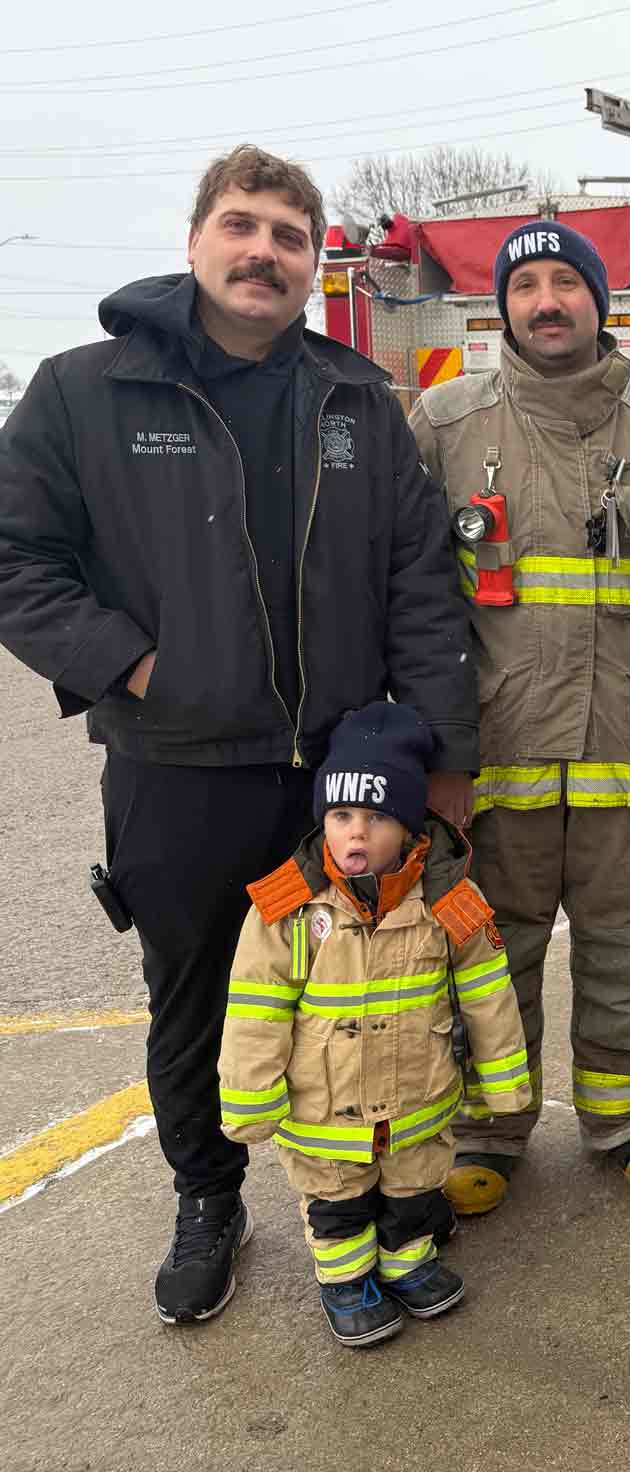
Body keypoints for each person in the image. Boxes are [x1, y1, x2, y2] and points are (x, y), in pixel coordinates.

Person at [0, 145, 476, 1324]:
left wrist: (444, 754)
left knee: (385, 984)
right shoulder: (81, 391)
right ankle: (208, 1194)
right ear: (198, 238)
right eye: (241, 224)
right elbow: (16, 559)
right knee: (196, 994)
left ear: (315, 263)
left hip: (343, 775)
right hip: (178, 767)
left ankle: (380, 1190)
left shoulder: (359, 400)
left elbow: (421, 581)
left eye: (289, 235)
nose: (264, 250)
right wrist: (134, 664)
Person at [409, 220, 630, 1215]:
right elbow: (409, 592)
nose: (547, 301)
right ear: (503, 305)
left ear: (601, 300)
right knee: (491, 952)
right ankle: (490, 1127)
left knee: (629, 946)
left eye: (566, 283)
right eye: (527, 284)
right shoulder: (447, 423)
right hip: (496, 758)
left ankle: (627, 1116)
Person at [218, 703, 530, 1346]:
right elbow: (255, 1009)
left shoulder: (449, 901)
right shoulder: (287, 909)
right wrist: (251, 1101)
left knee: (414, 1187)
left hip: (417, 1096)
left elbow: (487, 993)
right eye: (341, 816)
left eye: (377, 817)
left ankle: (407, 1260)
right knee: (338, 1200)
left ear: (411, 826)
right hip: (325, 1107)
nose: (356, 833)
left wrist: (503, 1084)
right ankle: (347, 1281)